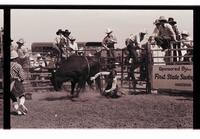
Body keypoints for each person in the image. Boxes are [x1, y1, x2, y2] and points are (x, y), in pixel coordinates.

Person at [10, 50, 28, 115]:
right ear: (16, 58)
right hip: (16, 82)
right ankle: (21, 103)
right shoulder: (18, 66)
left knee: (13, 98)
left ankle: (18, 111)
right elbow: (22, 77)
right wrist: (21, 80)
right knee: (22, 95)